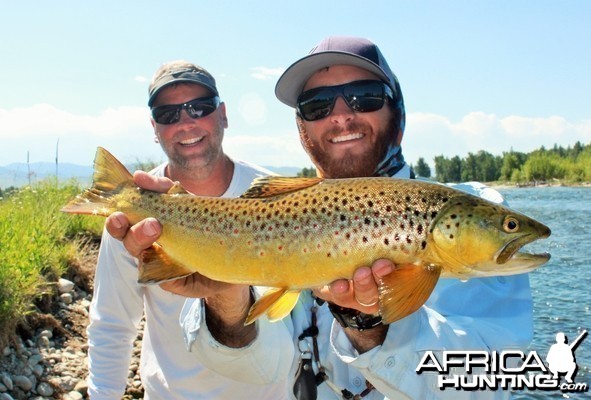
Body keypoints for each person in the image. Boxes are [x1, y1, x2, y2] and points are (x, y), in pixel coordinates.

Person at [108, 37, 532, 399]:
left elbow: (488, 379)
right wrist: (226, 301)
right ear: (301, 130)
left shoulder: (474, 205)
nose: (342, 115)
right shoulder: (283, 215)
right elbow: (259, 375)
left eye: (364, 96)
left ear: (398, 111)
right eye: (317, 105)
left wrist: (371, 327)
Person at [87, 60, 286, 399]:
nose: (186, 122)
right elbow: (112, 324)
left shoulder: (276, 194)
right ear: (154, 127)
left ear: (222, 114)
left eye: (200, 108)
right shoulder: (135, 211)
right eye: (169, 114)